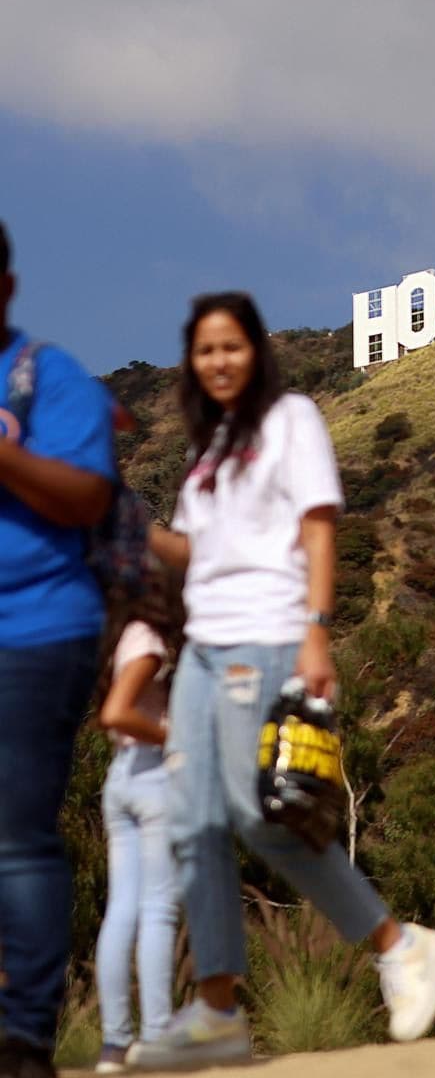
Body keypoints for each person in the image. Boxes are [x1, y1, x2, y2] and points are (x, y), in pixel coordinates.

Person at [130, 292, 435, 1070]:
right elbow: (190, 555)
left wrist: (316, 630)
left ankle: (399, 944)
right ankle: (217, 1012)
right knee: (193, 823)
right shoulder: (205, 456)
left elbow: (317, 523)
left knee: (260, 817)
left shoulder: (291, 418)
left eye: (231, 346)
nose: (218, 361)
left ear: (256, 351)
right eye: (204, 350)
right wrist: (117, 519)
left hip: (266, 637)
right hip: (203, 652)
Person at [0, 220, 116, 1078]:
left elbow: (85, 497)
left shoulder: (50, 375)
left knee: (17, 837)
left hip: (35, 633)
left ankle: (25, 1037)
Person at [94, 573, 186, 1073]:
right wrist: (173, 737)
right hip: (151, 775)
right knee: (157, 910)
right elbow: (117, 713)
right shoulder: (146, 640)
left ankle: (114, 1044)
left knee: (121, 910)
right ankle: (154, 1036)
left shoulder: (114, 637)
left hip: (120, 778)